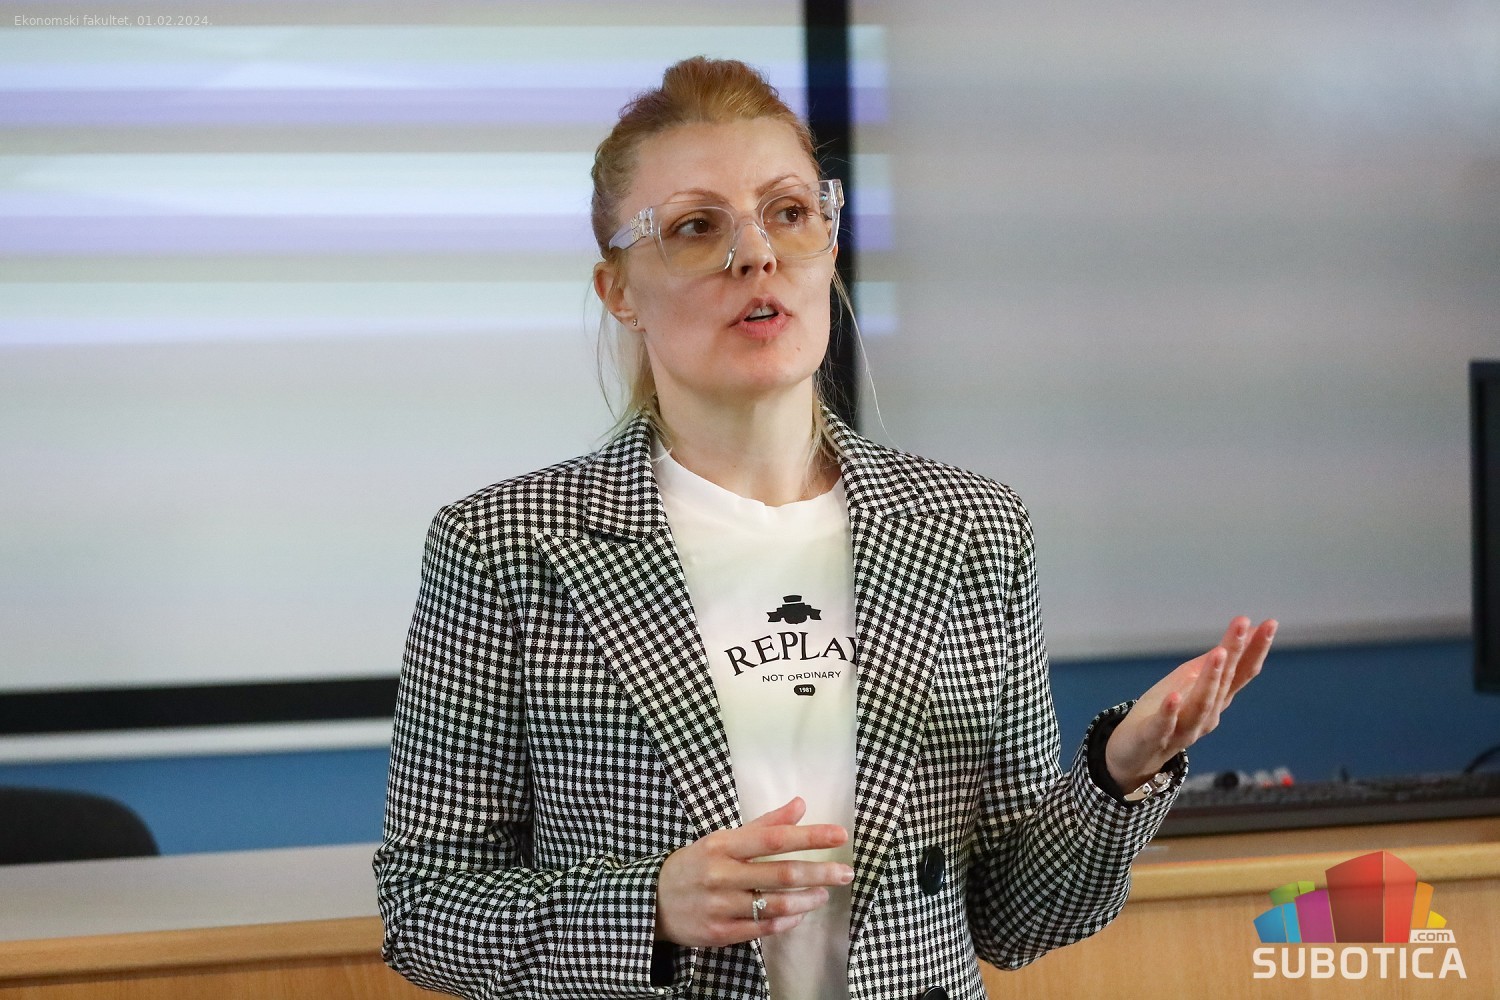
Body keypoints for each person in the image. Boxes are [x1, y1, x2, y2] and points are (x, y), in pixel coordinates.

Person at [373, 56, 1276, 1000]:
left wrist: (1118, 773)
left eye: (789, 212)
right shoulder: (506, 546)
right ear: (619, 292)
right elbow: (425, 908)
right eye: (696, 227)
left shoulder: (972, 528)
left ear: (829, 245)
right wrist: (651, 908)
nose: (756, 255)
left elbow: (1017, 919)